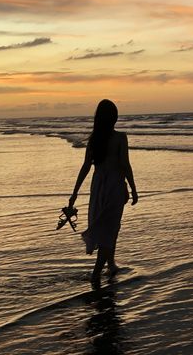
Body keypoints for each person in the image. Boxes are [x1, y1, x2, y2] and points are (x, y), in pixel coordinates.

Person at [69, 99, 138, 283]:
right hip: (114, 186)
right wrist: (133, 188)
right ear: (113, 118)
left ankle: (111, 265)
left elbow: (85, 167)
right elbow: (125, 165)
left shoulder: (95, 140)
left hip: (98, 187)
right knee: (111, 229)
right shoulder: (120, 138)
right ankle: (96, 274)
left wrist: (74, 193)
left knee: (105, 227)